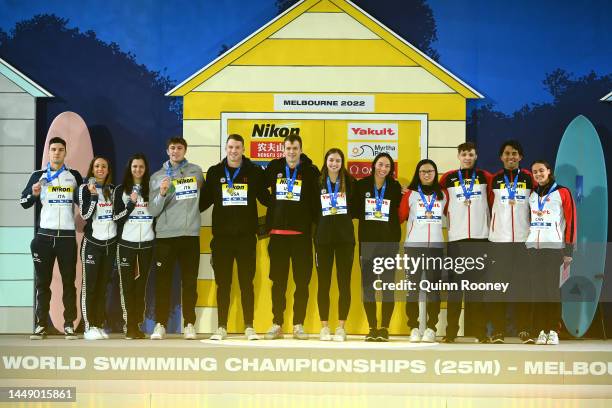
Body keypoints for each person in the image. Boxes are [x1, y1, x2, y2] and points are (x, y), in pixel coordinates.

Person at [200, 134, 270, 341]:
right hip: (221, 239)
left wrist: (284, 204)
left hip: (247, 238)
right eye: (230, 147)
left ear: (243, 149)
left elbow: (265, 199)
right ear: (226, 148)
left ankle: (249, 325)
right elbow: (203, 202)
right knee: (223, 284)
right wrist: (180, 202)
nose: (233, 151)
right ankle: (221, 326)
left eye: (237, 147)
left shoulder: (254, 172)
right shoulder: (214, 172)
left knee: (246, 283)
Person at [20, 137, 83, 340]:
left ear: (65, 153)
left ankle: (69, 324)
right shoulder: (38, 175)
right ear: (48, 152)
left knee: (69, 283)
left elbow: (83, 201)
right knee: (42, 283)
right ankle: (40, 324)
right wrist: (33, 193)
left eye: (60, 150)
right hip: (44, 238)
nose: (56, 153)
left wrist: (90, 195)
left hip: (66, 238)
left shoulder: (73, 176)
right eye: (53, 149)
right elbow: (23, 202)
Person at [263, 134, 320, 340]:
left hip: (301, 236)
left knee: (302, 282)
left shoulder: (311, 171)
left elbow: (316, 202)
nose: (292, 152)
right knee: (278, 282)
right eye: (288, 148)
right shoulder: (274, 168)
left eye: (295, 148)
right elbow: (260, 188)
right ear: (283, 149)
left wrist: (313, 228)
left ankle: (298, 324)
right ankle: (277, 323)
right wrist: (273, 205)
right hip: (277, 235)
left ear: (301, 150)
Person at [148, 137, 205, 340]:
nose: (175, 151)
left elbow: (195, 186)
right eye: (172, 148)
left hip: (189, 235)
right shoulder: (156, 177)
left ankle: (189, 323)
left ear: (185, 150)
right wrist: (162, 192)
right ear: (167, 150)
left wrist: (174, 181)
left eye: (179, 148)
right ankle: (160, 323)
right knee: (163, 282)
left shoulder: (195, 170)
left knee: (189, 282)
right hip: (165, 236)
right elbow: (153, 210)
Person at [439, 142, 491, 343]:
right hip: (456, 239)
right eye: (464, 154)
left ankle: (480, 332)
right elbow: (435, 196)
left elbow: (494, 201)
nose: (467, 157)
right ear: (458, 156)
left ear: (476, 156)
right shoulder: (449, 177)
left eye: (471, 154)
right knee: (454, 289)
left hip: (480, 239)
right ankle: (451, 332)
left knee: (477, 290)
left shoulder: (485, 177)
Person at [487, 140, 535, 344]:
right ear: (501, 157)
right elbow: (488, 204)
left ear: (521, 157)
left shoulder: (530, 178)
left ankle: (524, 329)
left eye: (514, 153)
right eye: (507, 153)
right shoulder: (494, 180)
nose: (510, 157)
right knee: (498, 287)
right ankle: (497, 330)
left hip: (524, 241)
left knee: (523, 286)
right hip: (499, 241)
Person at [526, 160, 576, 345]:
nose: (538, 174)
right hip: (534, 249)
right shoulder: (532, 194)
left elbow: (571, 221)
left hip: (555, 248)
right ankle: (540, 330)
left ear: (549, 171)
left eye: (541, 170)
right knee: (538, 291)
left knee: (553, 290)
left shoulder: (562, 192)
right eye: (534, 172)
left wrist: (568, 250)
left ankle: (553, 330)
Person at [353, 153, 402, 342]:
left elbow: (400, 210)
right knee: (369, 287)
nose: (383, 168)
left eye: (387, 166)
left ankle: (385, 328)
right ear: (374, 166)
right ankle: (373, 327)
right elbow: (355, 210)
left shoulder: (395, 187)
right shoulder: (361, 185)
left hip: (389, 244)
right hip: (367, 243)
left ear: (391, 169)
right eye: (380, 164)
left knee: (388, 286)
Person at [399, 159, 447, 343]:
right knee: (412, 288)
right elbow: (401, 216)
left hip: (435, 247)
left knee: (434, 289)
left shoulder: (443, 195)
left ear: (435, 174)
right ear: (418, 174)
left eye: (430, 171)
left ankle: (431, 328)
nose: (427, 174)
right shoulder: (410, 194)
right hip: (414, 247)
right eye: (423, 171)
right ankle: (413, 326)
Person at [314, 148, 355, 342]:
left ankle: (341, 327)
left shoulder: (350, 183)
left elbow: (355, 208)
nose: (334, 164)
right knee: (324, 283)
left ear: (342, 162)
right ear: (326, 161)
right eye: (331, 160)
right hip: (323, 241)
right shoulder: (318, 182)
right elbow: (312, 211)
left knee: (344, 283)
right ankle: (324, 327)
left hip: (345, 240)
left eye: (338, 161)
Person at [113, 153, 154, 340]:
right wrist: (130, 203)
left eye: (141, 167)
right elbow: (116, 217)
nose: (138, 170)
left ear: (146, 170)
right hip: (126, 245)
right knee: (127, 287)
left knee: (141, 288)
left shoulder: (151, 188)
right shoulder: (121, 189)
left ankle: (137, 325)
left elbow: (157, 212)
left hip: (146, 244)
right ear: (130, 169)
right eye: (134, 166)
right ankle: (129, 326)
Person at [76, 157, 117, 340]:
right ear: (92, 169)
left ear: (108, 170)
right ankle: (88, 326)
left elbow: (117, 216)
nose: (100, 169)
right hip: (92, 244)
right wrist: (93, 196)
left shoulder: (113, 190)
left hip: (109, 245)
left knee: (102, 287)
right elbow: (84, 214)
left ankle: (99, 324)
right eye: (97, 166)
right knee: (89, 287)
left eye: (104, 166)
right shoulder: (84, 189)